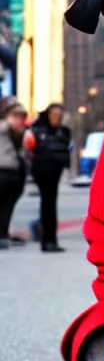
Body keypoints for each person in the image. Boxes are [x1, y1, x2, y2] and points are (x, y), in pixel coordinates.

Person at [25, 103, 71, 252]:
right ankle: (47, 240)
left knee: (50, 204)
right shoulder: (38, 130)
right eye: (54, 115)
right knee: (48, 204)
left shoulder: (63, 131)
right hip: (43, 170)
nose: (57, 118)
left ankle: (50, 239)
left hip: (55, 171)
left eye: (59, 115)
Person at [0, 97, 28, 248]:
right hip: (2, 169)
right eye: (16, 117)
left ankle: (3, 234)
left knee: (8, 206)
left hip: (14, 171)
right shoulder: (3, 129)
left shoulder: (19, 133)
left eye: (21, 118)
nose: (19, 121)